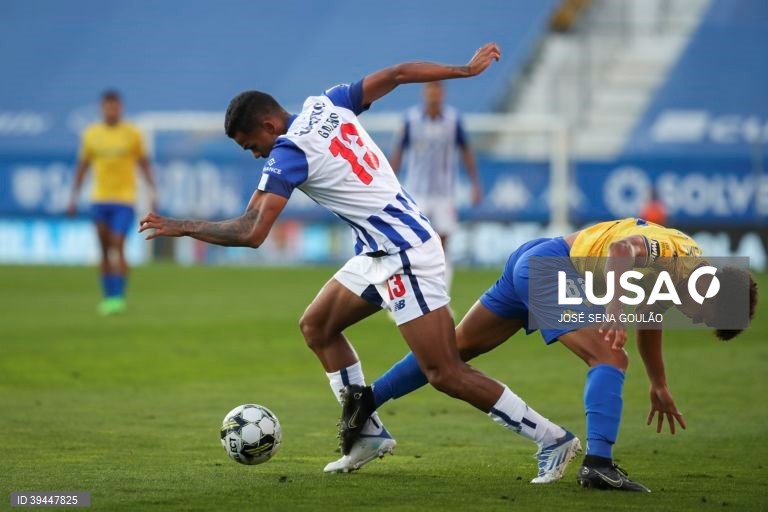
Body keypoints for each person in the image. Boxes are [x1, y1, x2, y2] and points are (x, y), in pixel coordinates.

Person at [138, 43, 581, 479]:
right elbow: (398, 73)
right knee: (317, 326)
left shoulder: (289, 153)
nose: (254, 152)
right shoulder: (325, 103)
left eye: (251, 144)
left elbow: (252, 232)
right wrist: (463, 71)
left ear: (270, 126)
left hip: (405, 255)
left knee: (444, 372)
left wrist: (186, 226)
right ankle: (367, 434)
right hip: (378, 252)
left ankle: (552, 439)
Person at [340, 217, 758, 491]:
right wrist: (613, 309)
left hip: (535, 256)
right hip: (553, 268)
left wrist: (660, 384)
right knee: (610, 358)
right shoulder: (674, 254)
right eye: (704, 316)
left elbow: (651, 320)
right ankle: (598, 464)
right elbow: (623, 251)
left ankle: (366, 401)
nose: (696, 318)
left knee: (453, 352)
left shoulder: (688, 274)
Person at [68, 90, 157, 315]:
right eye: (107, 106)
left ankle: (119, 297)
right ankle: (108, 297)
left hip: (124, 199)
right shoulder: (91, 134)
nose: (111, 110)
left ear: (121, 108)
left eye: (115, 106)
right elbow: (83, 166)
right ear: (101, 108)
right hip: (99, 199)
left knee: (118, 244)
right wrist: (73, 197)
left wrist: (152, 189)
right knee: (104, 249)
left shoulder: (132, 133)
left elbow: (144, 163)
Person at [390, 81, 482, 289]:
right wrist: (391, 183)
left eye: (437, 90)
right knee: (411, 243)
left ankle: (441, 294)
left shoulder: (453, 120)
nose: (433, 95)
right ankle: (408, 292)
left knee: (443, 244)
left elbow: (466, 151)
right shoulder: (411, 120)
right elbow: (398, 153)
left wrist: (475, 183)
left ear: (443, 94)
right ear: (424, 93)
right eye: (430, 90)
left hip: (444, 193)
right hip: (416, 192)